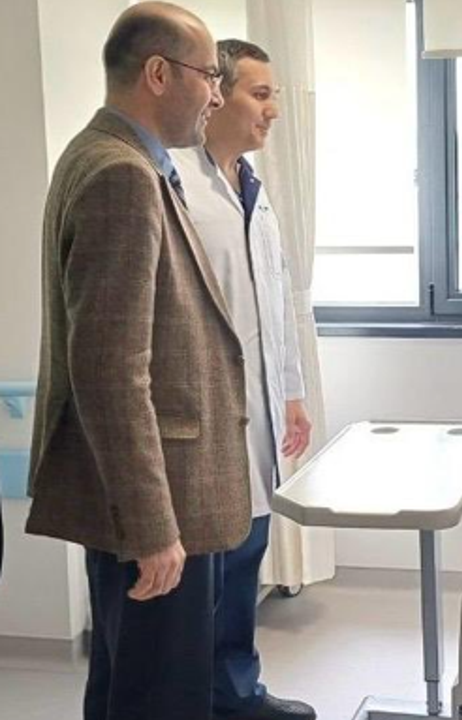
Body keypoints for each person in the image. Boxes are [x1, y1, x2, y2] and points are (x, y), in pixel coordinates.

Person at [23, 4, 246, 719]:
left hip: (151, 494)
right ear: (158, 73)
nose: (217, 95)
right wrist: (153, 528)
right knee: (159, 698)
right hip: (158, 501)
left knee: (129, 689)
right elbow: (111, 368)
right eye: (209, 75)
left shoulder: (104, 155)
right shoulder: (121, 174)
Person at [170, 39, 313, 720]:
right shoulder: (178, 185)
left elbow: (275, 303)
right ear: (216, 93)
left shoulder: (254, 190)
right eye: (260, 94)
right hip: (202, 421)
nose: (273, 110)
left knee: (247, 556)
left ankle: (237, 692)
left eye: (273, 95)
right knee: (201, 579)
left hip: (258, 413)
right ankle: (194, 699)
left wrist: (291, 392)